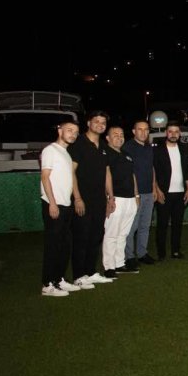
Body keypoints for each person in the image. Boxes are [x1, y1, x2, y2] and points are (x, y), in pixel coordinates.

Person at [70, 110, 114, 286]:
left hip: (99, 200)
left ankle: (90, 271)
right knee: (82, 237)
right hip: (83, 199)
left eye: (103, 122)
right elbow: (71, 172)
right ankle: (79, 276)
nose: (100, 125)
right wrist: (77, 198)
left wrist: (110, 197)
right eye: (96, 121)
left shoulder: (103, 145)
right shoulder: (78, 143)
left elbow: (107, 172)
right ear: (88, 123)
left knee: (96, 236)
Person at [40, 121, 81, 296]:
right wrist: (52, 203)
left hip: (65, 205)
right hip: (54, 204)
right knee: (53, 245)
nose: (73, 134)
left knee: (64, 245)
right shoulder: (50, 150)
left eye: (76, 132)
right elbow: (45, 177)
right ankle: (48, 284)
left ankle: (59, 279)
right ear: (59, 131)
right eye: (69, 130)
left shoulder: (66, 153)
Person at [153, 122, 188, 261]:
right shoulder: (158, 150)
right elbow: (153, 171)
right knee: (162, 225)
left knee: (177, 224)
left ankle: (176, 251)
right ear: (166, 133)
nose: (173, 134)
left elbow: (187, 171)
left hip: (180, 193)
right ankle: (161, 253)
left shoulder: (183, 149)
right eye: (171, 131)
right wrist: (157, 190)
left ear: (179, 134)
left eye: (176, 131)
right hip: (163, 193)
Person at [102, 126, 139, 278]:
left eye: (121, 134)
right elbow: (106, 176)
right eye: (115, 134)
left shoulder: (126, 154)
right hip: (116, 198)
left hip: (130, 199)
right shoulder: (105, 153)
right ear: (108, 138)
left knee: (123, 234)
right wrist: (110, 197)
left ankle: (119, 264)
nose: (119, 137)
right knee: (111, 233)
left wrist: (136, 195)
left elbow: (132, 176)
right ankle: (109, 267)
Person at [122, 120, 156, 267]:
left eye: (146, 129)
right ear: (134, 131)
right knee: (132, 227)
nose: (143, 132)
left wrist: (154, 187)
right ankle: (129, 256)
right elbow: (129, 172)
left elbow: (151, 168)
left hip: (148, 193)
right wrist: (136, 194)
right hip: (135, 194)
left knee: (145, 226)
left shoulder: (148, 147)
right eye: (140, 129)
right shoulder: (128, 147)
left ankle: (142, 253)